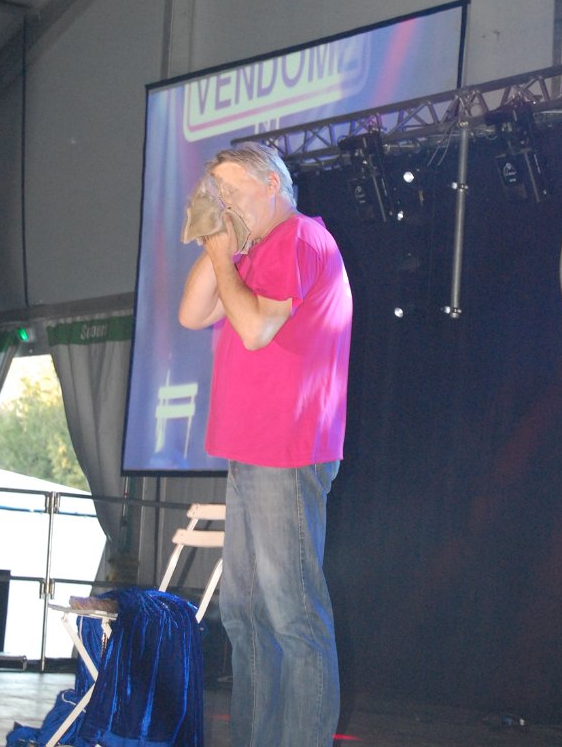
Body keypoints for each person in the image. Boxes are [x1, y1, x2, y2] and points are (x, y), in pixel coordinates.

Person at [178, 142, 353, 747]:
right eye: (216, 193)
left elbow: (255, 328)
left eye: (231, 191)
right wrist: (219, 244)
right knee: (246, 616)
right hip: (251, 450)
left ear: (271, 185)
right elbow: (192, 314)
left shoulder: (297, 238)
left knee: (292, 616)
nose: (223, 201)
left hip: (286, 450)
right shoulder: (252, 251)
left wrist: (222, 254)